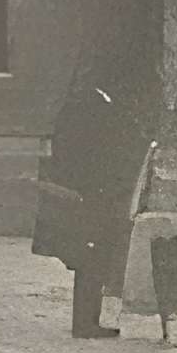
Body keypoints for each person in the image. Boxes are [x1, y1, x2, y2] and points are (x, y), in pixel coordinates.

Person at [35, 77, 142, 338]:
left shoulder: (82, 103)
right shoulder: (93, 106)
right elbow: (97, 153)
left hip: (89, 191)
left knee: (91, 257)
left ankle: (86, 321)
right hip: (93, 193)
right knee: (92, 257)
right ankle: (85, 323)